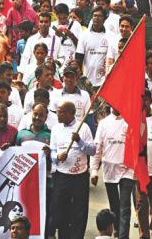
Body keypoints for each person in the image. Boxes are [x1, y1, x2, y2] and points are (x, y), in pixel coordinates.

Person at [48, 100, 96, 239]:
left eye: (61, 112)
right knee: (61, 210)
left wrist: (79, 141)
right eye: (57, 111)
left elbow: (92, 150)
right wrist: (57, 156)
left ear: (71, 113)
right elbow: (52, 152)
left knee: (79, 210)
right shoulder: (56, 129)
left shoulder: (84, 127)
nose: (58, 114)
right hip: (62, 176)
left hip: (79, 176)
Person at [91, 107, 134, 239]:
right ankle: (116, 231)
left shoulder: (131, 121)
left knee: (125, 206)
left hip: (127, 169)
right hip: (110, 170)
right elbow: (97, 148)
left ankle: (123, 236)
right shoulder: (104, 123)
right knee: (114, 206)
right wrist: (94, 170)